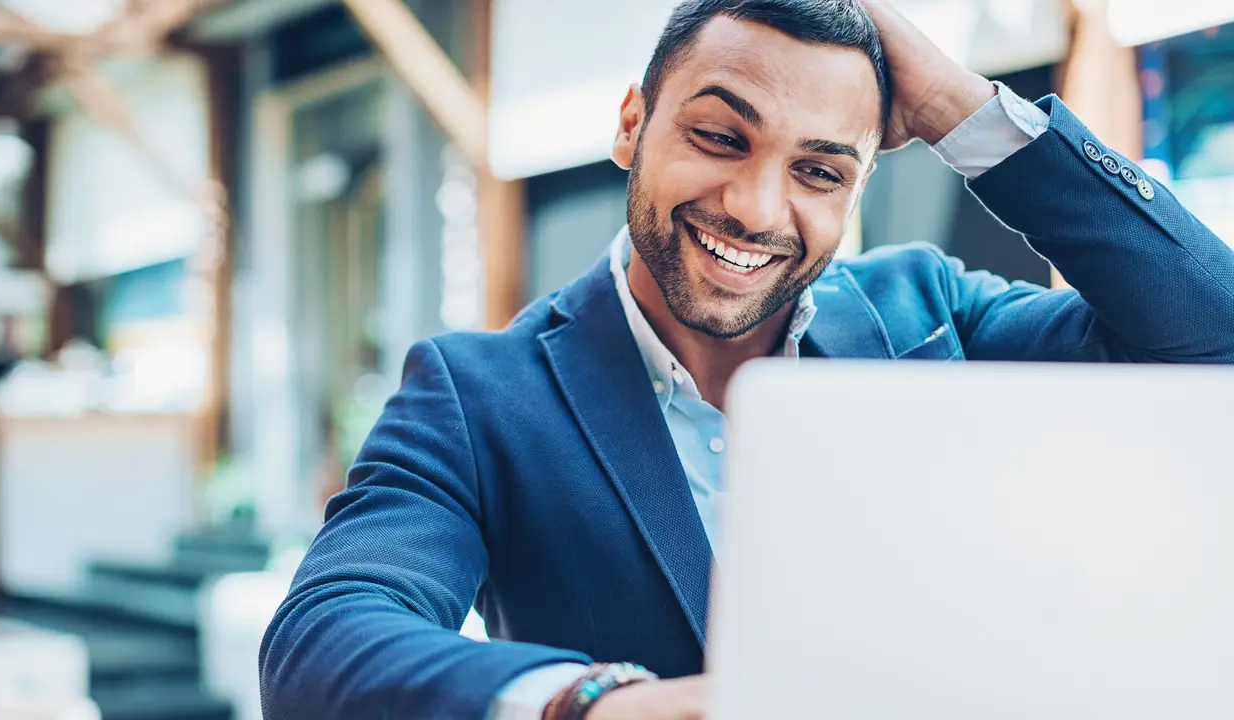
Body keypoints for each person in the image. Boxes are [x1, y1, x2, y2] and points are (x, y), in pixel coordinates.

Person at [259, 0, 1234, 717]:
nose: (757, 209)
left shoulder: (930, 314)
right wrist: (590, 704)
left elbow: (1209, 334)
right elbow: (322, 639)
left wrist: (956, 107)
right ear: (632, 125)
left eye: (818, 169)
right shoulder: (476, 393)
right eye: (719, 136)